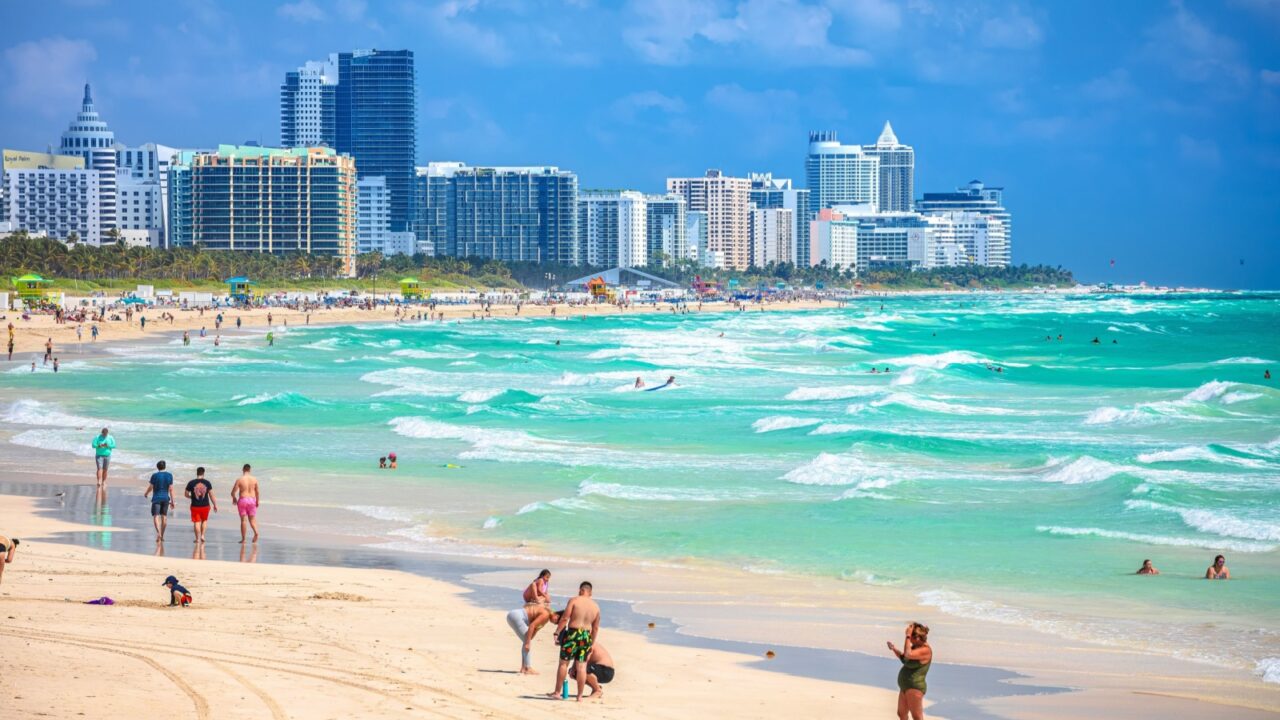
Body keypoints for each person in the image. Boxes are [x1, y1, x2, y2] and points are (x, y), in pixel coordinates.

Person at [547, 581, 601, 702]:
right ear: (590, 592)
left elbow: (565, 618)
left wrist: (557, 632)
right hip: (586, 636)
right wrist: (591, 643)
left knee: (563, 664)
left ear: (580, 590)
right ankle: (579, 696)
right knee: (582, 667)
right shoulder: (596, 607)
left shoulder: (574, 600)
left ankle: (557, 692)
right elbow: (596, 628)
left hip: (572, 634)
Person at [887, 622, 932, 720]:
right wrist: (894, 649)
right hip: (905, 687)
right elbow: (904, 658)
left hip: (914, 687)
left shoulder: (926, 650)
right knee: (901, 713)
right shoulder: (915, 648)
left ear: (917, 638)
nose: (909, 641)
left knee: (917, 717)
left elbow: (908, 654)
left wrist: (907, 635)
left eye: (911, 638)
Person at [505, 603, 560, 674]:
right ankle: (527, 668)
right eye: (557, 621)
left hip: (513, 614)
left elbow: (533, 632)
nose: (555, 623)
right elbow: (532, 626)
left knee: (526, 639)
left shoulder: (545, 615)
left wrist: (528, 640)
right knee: (526, 640)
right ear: (557, 615)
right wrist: (527, 642)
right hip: (517, 617)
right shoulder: (546, 614)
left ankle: (523, 668)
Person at [185, 467, 218, 544]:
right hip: (205, 505)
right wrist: (215, 504)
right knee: (204, 520)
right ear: (203, 473)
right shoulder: (207, 483)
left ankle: (197, 539)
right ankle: (202, 535)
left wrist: (191, 497)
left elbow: (186, 494)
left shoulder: (191, 483)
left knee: (196, 522)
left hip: (195, 506)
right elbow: (211, 495)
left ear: (197, 473)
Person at [144, 461, 175, 541]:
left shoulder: (155, 475)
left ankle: (159, 533)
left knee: (156, 516)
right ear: (165, 466)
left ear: (157, 467)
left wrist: (146, 493)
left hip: (156, 499)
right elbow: (171, 489)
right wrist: (173, 501)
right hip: (165, 499)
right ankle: (162, 535)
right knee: (164, 516)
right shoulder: (169, 475)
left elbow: (151, 487)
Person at [230, 464, 260, 544]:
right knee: (252, 519)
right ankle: (256, 532)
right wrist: (257, 501)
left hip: (243, 500)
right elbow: (257, 492)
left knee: (243, 520)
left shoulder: (240, 479)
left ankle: (243, 539)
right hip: (252, 500)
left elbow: (233, 492)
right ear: (250, 470)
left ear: (243, 469)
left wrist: (234, 498)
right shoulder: (254, 479)